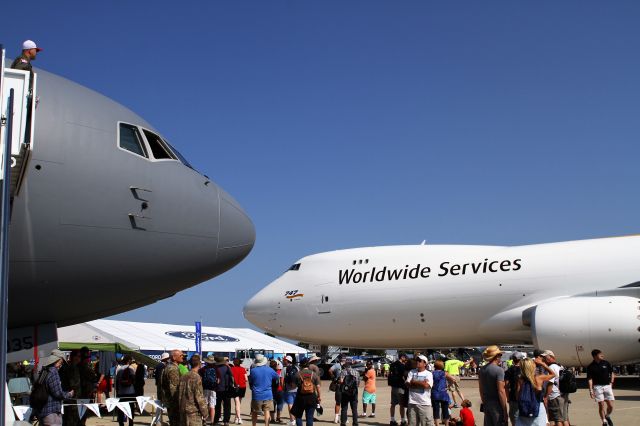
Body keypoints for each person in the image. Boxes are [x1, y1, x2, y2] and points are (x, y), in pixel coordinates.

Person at [33, 349, 75, 426]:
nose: (61, 365)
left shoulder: (44, 371)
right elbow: (58, 393)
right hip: (51, 413)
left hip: (42, 412)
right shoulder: (53, 372)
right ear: (56, 360)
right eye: (61, 362)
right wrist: (69, 394)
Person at [515, 358, 556, 426]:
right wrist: (543, 364)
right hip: (538, 407)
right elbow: (553, 374)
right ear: (532, 367)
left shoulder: (520, 379)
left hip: (524, 408)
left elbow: (517, 395)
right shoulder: (539, 378)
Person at [478, 345, 508, 426]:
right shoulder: (499, 370)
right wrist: (505, 410)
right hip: (497, 404)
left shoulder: (482, 369)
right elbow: (501, 391)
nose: (501, 357)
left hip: (486, 403)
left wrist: (484, 401)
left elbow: (480, 388)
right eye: (500, 355)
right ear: (497, 356)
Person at [178, 355, 209, 426]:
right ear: (199, 364)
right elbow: (199, 397)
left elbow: (179, 393)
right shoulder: (196, 377)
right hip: (193, 412)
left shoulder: (184, 376)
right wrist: (205, 413)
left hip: (183, 410)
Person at [249, 354, 280, 426]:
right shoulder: (270, 370)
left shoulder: (253, 371)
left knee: (254, 412)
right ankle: (267, 425)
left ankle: (254, 425)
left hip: (256, 394)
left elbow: (251, 381)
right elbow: (277, 377)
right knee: (267, 411)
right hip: (268, 394)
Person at [587, 349, 615, 426]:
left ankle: (607, 415)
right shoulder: (590, 366)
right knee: (601, 405)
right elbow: (590, 379)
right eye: (600, 354)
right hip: (597, 387)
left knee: (610, 405)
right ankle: (604, 421)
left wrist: (611, 383)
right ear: (595, 356)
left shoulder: (606, 363)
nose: (602, 355)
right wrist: (591, 391)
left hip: (607, 386)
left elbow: (612, 373)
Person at [291, 357, 322, 426]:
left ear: (301, 365)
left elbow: (293, 386)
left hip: (300, 397)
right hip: (312, 397)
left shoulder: (297, 374)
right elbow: (318, 387)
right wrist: (319, 396)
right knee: (310, 417)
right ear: (308, 365)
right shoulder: (314, 374)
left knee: (298, 416)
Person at [405, 354, 434, 426]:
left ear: (425, 363)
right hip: (412, 403)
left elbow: (426, 386)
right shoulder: (412, 372)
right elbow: (407, 384)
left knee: (427, 424)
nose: (417, 362)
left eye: (420, 361)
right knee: (412, 424)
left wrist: (414, 382)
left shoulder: (429, 374)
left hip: (424, 404)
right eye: (417, 360)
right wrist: (421, 383)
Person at [542, 350, 568, 426]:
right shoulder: (560, 366)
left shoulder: (551, 367)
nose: (543, 359)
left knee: (558, 420)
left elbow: (550, 383)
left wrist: (546, 396)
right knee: (565, 419)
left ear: (549, 357)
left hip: (555, 396)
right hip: (563, 394)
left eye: (544, 357)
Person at [161, 349, 183, 426]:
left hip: (170, 402)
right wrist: (179, 402)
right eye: (181, 355)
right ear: (174, 357)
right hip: (174, 403)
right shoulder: (173, 369)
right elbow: (174, 389)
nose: (182, 357)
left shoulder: (169, 367)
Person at [431, 360, 456, 426]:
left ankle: (437, 424)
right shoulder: (444, 373)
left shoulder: (432, 373)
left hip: (435, 393)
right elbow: (453, 379)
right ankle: (446, 424)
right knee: (445, 410)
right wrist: (448, 386)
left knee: (436, 410)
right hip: (443, 393)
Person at [504, 352, 525, 426]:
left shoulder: (508, 370)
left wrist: (508, 398)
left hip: (513, 396)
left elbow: (506, 386)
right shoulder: (524, 370)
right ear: (520, 359)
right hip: (524, 396)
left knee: (514, 416)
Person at [214, 356, 236, 426]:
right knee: (227, 406)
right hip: (227, 389)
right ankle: (226, 421)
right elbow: (232, 377)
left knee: (217, 406)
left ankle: (216, 420)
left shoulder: (215, 368)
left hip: (217, 389)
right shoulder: (227, 368)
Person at [389, 353, 410, 426]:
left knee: (393, 404)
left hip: (393, 386)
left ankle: (392, 420)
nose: (406, 359)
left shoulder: (392, 364)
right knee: (401, 404)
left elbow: (390, 374)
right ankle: (403, 421)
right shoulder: (402, 366)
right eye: (405, 358)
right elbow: (404, 376)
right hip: (400, 386)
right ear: (402, 357)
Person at [339, 358, 361, 426]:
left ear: (346, 364)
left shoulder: (343, 372)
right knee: (354, 409)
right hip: (354, 393)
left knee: (344, 408)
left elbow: (341, 382)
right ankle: (355, 423)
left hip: (345, 393)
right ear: (351, 364)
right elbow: (358, 384)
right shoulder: (356, 372)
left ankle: (343, 423)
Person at [115, 355, 136, 426]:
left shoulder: (119, 369)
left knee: (121, 409)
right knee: (130, 409)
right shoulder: (131, 368)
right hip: (130, 392)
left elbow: (117, 382)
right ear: (129, 361)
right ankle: (131, 423)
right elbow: (134, 380)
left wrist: (117, 391)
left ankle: (121, 423)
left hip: (121, 393)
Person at [200, 355, 219, 425]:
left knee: (204, 404)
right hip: (213, 389)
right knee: (212, 405)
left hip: (205, 388)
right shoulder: (216, 369)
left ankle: (204, 419)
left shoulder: (203, 369)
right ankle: (212, 421)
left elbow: (200, 378)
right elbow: (218, 380)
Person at [283, 355, 300, 425]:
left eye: (285, 360)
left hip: (289, 389)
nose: (284, 361)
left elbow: (282, 380)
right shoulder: (296, 368)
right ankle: (296, 419)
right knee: (296, 404)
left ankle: (292, 420)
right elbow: (299, 377)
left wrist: (283, 388)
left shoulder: (284, 369)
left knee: (290, 404)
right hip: (297, 389)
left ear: (287, 361)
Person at [232, 358, 248, 424]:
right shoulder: (243, 369)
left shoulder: (232, 369)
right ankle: (236, 418)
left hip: (235, 387)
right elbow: (246, 379)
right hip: (242, 387)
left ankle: (238, 418)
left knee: (237, 403)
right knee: (239, 403)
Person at [329, 355, 345, 424]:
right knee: (345, 404)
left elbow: (329, 370)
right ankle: (344, 419)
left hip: (338, 386)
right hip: (346, 387)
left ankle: (336, 418)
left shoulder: (337, 365)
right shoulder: (348, 365)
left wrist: (334, 378)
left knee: (338, 403)